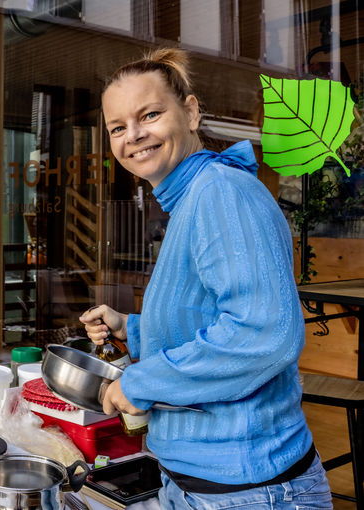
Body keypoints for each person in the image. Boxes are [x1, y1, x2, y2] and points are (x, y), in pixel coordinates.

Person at [79, 48, 333, 509]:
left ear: (191, 112)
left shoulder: (221, 193)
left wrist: (140, 384)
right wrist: (131, 327)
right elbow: (210, 315)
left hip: (254, 496)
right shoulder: (194, 197)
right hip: (200, 488)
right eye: (118, 127)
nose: (133, 135)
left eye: (149, 114)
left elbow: (264, 334)